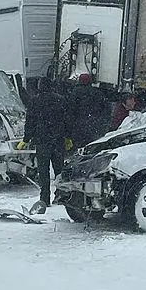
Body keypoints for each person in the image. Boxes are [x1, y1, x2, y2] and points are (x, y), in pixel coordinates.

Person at [23, 78, 68, 208]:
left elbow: (30, 121)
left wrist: (26, 139)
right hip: (58, 139)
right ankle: (61, 194)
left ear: (39, 87)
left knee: (43, 171)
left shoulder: (35, 101)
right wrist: (68, 136)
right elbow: (67, 119)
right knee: (59, 169)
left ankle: (45, 198)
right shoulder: (61, 99)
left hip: (42, 140)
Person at [67, 73, 109, 148]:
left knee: (79, 146)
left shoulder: (74, 92)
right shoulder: (97, 93)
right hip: (93, 124)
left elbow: (71, 109)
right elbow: (104, 108)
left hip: (78, 124)